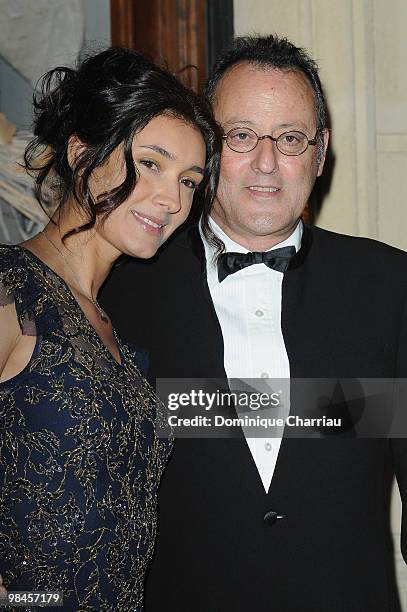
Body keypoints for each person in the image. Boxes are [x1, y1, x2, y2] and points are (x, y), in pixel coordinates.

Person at [100, 35, 407, 612]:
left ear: (319, 154)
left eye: (290, 139)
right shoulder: (119, 289)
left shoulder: (391, 285)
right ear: (207, 146)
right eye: (241, 136)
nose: (266, 162)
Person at [0, 47, 220, 610]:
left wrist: (354, 409)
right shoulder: (11, 289)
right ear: (81, 153)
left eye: (190, 181)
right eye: (151, 163)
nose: (172, 199)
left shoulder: (115, 329)